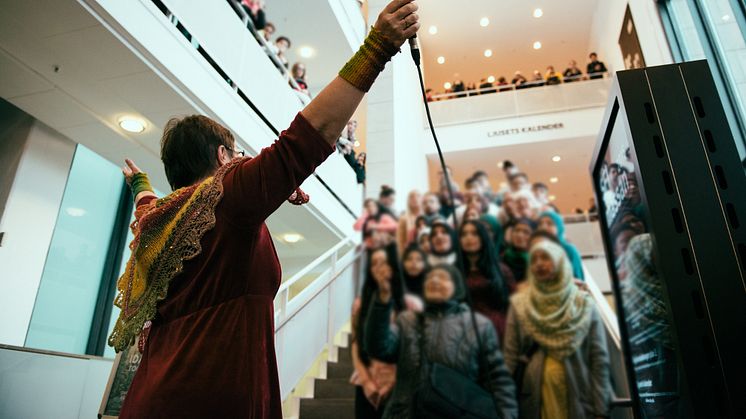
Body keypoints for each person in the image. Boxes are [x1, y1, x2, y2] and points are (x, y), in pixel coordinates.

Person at [111, 3, 420, 417]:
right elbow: (309, 137)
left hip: (152, 397)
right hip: (212, 398)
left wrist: (139, 184)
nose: (242, 159)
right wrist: (377, 47)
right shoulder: (228, 195)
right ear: (223, 156)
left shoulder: (158, 222)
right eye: (237, 153)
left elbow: (145, 206)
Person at [364, 264, 519, 419]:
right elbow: (378, 347)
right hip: (406, 413)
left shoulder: (479, 325)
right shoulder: (408, 320)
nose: (435, 281)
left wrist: (507, 415)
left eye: (443, 277)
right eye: (430, 278)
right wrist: (382, 300)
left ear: (457, 287)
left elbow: (498, 379)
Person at [503, 240, 611, 419]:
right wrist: (506, 407)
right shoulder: (520, 304)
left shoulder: (582, 303)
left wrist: (601, 408)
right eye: (534, 260)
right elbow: (510, 356)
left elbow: (598, 357)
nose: (538, 264)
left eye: (545, 258)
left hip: (578, 390)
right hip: (535, 392)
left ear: (559, 262)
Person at [351, 246, 420, 418]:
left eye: (384, 263)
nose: (380, 268)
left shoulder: (410, 303)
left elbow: (414, 348)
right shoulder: (360, 304)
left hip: (400, 383)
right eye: (375, 264)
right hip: (367, 382)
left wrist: (396, 380)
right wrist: (366, 382)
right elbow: (356, 342)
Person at [459, 220, 516, 340]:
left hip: (498, 331)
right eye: (464, 234)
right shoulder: (456, 271)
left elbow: (513, 305)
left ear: (483, 238)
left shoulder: (501, 270)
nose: (468, 238)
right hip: (467, 333)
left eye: (474, 234)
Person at [537, 211, 586, 280]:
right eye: (540, 224)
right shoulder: (537, 249)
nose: (544, 227)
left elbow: (578, 277)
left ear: (559, 227)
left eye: (549, 224)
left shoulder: (568, 249)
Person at [503, 218, 535, 284]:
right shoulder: (503, 256)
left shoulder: (533, 263)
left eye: (526, 232)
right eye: (517, 230)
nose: (519, 235)